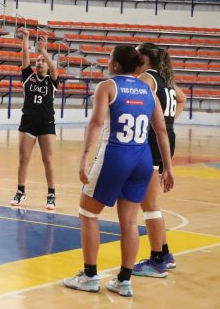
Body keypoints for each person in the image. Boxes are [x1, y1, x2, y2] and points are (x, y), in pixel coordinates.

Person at [63, 45, 173, 298]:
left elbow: (96, 122)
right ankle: (124, 280)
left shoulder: (108, 86)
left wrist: (84, 157)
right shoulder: (148, 91)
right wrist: (168, 167)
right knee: (130, 222)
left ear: (115, 65)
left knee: (87, 214)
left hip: (115, 156)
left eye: (109, 59)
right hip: (142, 159)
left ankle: (89, 276)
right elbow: (161, 131)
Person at [133, 43, 187, 277]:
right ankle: (164, 253)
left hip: (153, 141)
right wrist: (168, 120)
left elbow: (134, 104)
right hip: (165, 138)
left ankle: (156, 261)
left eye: (136, 53)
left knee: (149, 204)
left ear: (144, 58)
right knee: (151, 201)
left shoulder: (147, 78)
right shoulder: (165, 79)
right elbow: (182, 98)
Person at [11, 27, 59, 209]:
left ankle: (51, 194)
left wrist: (43, 51)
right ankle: (20, 192)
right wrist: (26, 38)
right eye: (38, 61)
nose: (40, 63)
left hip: (46, 124)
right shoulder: (28, 76)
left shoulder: (52, 80)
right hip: (28, 123)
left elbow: (54, 68)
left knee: (48, 160)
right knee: (23, 159)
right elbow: (25, 57)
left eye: (42, 61)